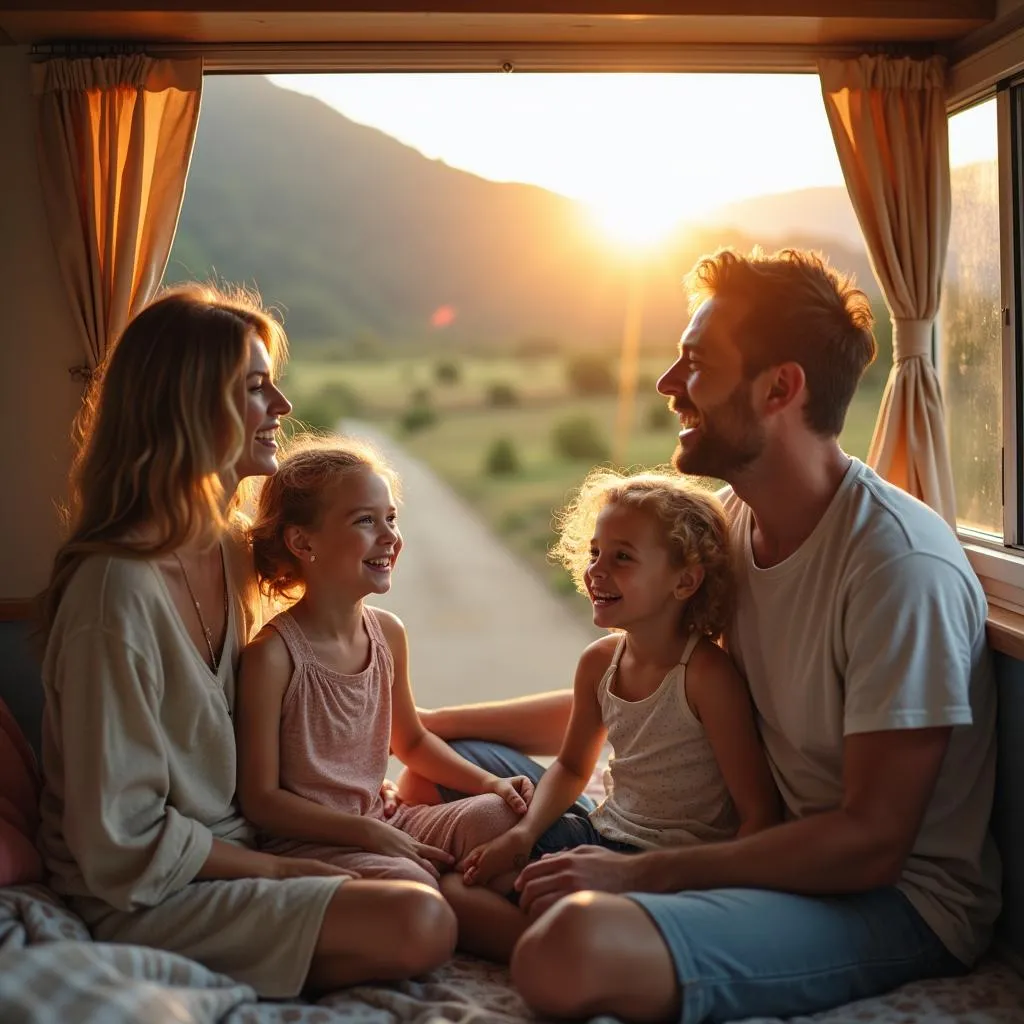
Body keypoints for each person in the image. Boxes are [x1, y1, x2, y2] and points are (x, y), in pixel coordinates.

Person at [412, 249, 1001, 1024]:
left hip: (887, 899)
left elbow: (871, 844)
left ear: (780, 387)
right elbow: (638, 693)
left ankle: (479, 912)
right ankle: (473, 902)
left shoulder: (897, 569)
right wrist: (423, 728)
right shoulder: (730, 521)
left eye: (694, 363)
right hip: (751, 840)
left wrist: (641, 878)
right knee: (443, 778)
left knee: (569, 952)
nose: (668, 386)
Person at [37, 285, 457, 1001]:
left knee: (446, 851)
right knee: (420, 920)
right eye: (258, 388)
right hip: (149, 892)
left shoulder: (232, 553)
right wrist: (285, 872)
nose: (284, 410)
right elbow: (118, 842)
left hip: (245, 848)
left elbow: (333, 637)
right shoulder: (114, 595)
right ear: (190, 406)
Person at [437, 468, 779, 963]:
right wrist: (522, 835)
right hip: (601, 832)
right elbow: (574, 767)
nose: (596, 570)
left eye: (622, 558)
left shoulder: (705, 675)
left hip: (667, 869)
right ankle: (555, 944)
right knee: (456, 880)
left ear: (684, 580)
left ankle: (558, 950)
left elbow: (758, 816)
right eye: (595, 552)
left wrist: (709, 895)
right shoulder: (600, 661)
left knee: (480, 894)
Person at [236, 437, 532, 891]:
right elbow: (261, 801)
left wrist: (490, 784)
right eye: (365, 521)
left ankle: (453, 893)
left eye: (391, 518)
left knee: (498, 817)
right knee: (411, 883)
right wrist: (369, 834)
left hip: (382, 820)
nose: (390, 536)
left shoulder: (387, 633)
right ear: (302, 541)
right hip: (314, 842)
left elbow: (410, 741)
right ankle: (457, 903)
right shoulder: (273, 658)